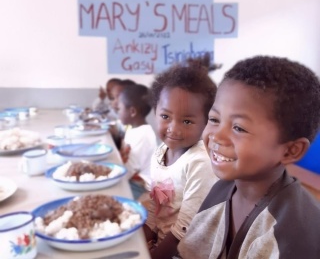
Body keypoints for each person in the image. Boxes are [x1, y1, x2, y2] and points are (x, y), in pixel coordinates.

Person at [178, 56, 320, 259]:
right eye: (214, 119)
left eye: (239, 128)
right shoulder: (221, 189)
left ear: (291, 151)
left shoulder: (296, 234)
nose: (216, 136)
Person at [143, 54, 220, 259]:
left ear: (206, 122)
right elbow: (154, 206)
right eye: (165, 116)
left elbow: (186, 229)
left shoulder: (200, 162)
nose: (173, 129)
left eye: (187, 121)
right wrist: (145, 235)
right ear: (155, 111)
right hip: (163, 244)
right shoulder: (161, 152)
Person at [117, 84, 158, 200]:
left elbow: (127, 172)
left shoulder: (142, 135)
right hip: (133, 179)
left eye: (120, 109)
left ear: (132, 112)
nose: (118, 113)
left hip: (140, 187)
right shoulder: (134, 129)